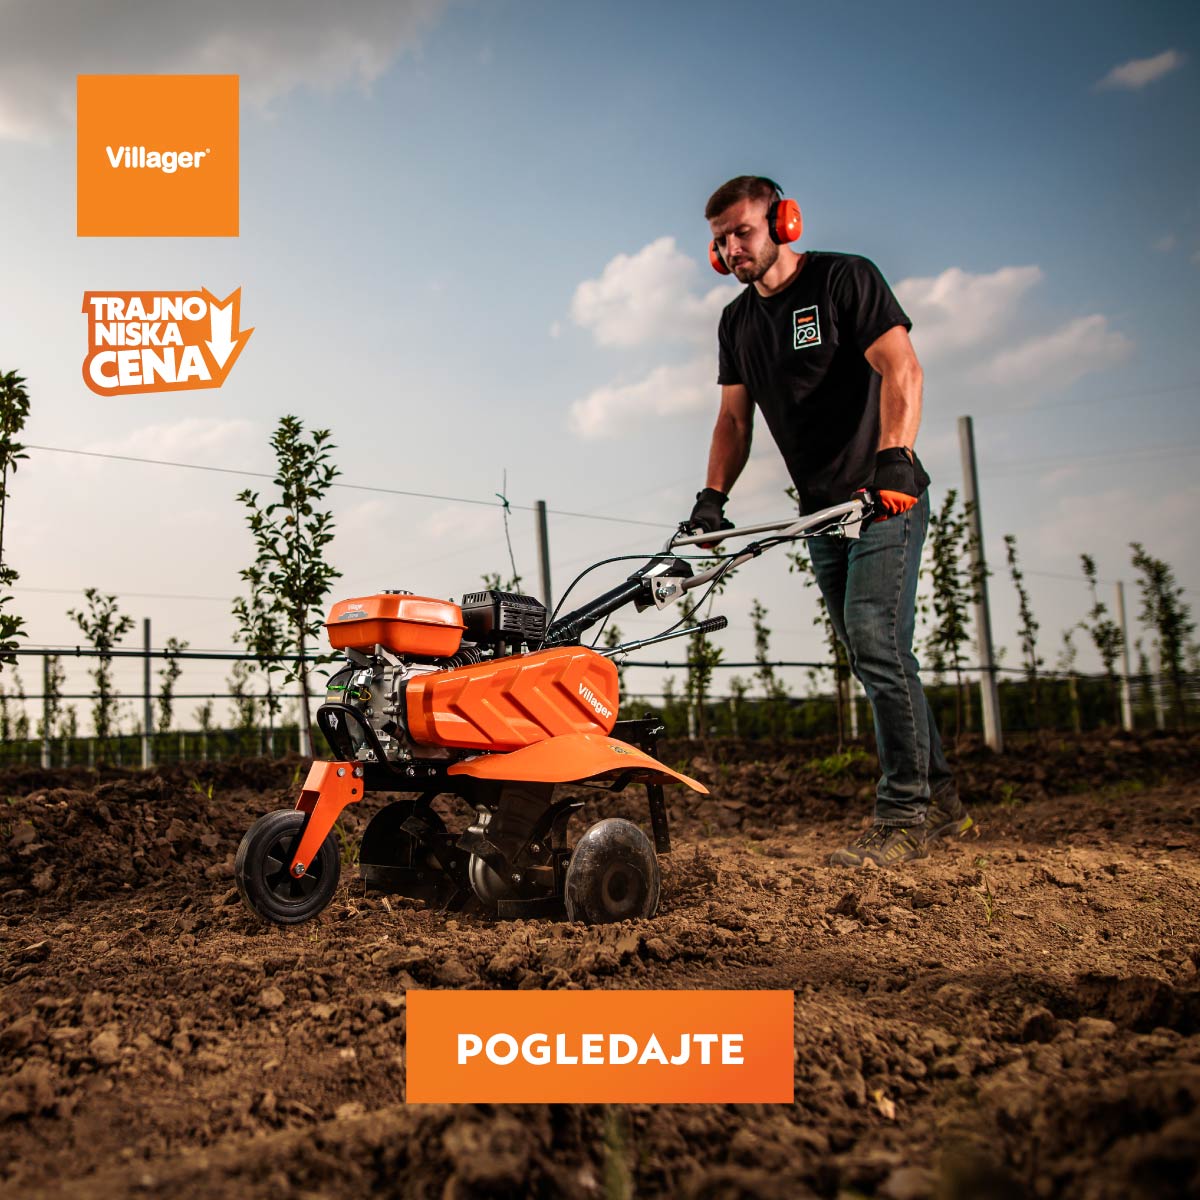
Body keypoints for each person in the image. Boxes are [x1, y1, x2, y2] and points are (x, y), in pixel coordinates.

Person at [684, 175, 972, 868]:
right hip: (820, 515)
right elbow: (733, 420)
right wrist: (711, 497)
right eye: (720, 240)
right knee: (873, 653)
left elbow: (902, 368)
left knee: (876, 640)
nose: (732, 248)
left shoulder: (845, 280)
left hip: (882, 499)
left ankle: (904, 815)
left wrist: (896, 458)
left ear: (784, 221)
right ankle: (942, 801)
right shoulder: (737, 322)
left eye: (743, 231)